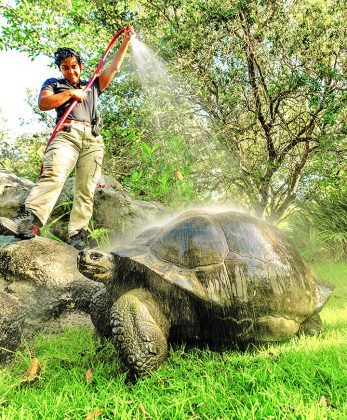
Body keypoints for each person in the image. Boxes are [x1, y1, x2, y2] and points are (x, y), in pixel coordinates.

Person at [0, 24, 134, 250]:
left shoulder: (92, 84)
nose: (71, 71)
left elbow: (113, 68)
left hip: (92, 140)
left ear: (80, 66)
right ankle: (29, 220)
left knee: (87, 188)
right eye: (66, 68)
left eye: (74, 66)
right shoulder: (53, 84)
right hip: (67, 135)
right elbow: (43, 103)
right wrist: (70, 93)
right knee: (54, 174)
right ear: (60, 69)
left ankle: (78, 235)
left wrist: (126, 41)